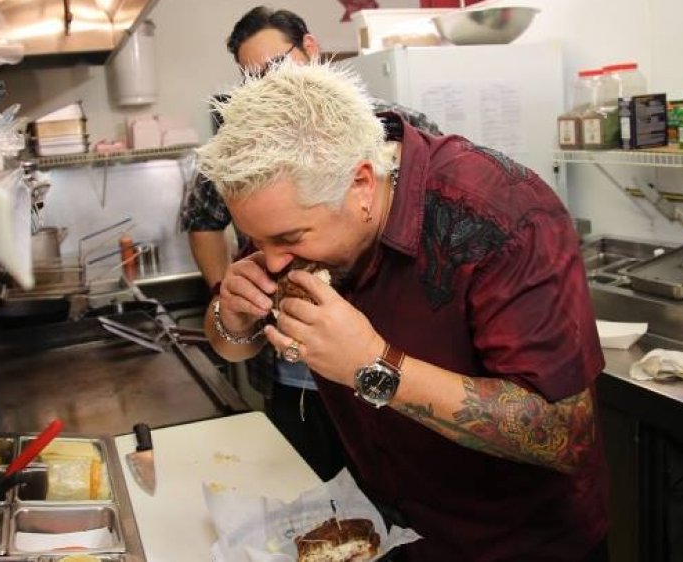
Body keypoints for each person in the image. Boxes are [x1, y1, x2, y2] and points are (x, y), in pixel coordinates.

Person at [196, 61, 609, 561]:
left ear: (363, 185)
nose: (274, 259)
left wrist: (374, 366)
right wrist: (232, 315)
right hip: (391, 534)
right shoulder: (292, 208)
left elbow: (566, 433)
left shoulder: (505, 217)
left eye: (287, 239)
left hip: (517, 545)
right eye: (258, 241)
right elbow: (227, 343)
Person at [179, 6, 441, 481]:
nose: (267, 85)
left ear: (312, 49)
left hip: (397, 369)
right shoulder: (244, 151)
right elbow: (200, 219)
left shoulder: (389, 126)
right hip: (296, 380)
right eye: (251, 77)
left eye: (276, 67)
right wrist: (230, 292)